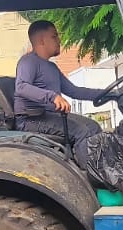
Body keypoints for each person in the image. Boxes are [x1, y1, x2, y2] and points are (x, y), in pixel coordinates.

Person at [14, 20, 107, 148]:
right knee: (81, 131)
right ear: (41, 40)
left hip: (51, 116)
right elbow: (21, 87)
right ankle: (87, 167)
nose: (59, 40)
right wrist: (53, 97)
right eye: (54, 36)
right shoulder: (28, 62)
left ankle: (95, 164)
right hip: (31, 120)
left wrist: (107, 94)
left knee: (93, 126)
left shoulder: (52, 67)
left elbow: (74, 91)